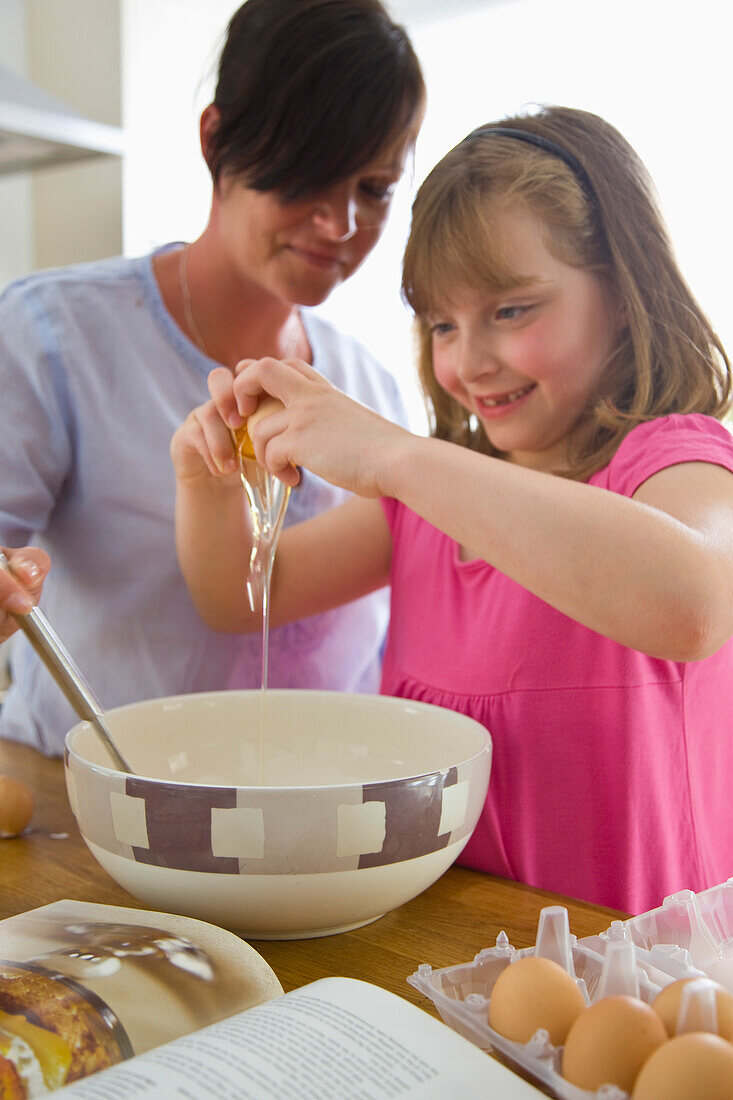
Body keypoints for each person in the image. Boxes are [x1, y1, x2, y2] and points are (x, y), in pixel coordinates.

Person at [171, 106, 733, 915]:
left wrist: (397, 455)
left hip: (633, 987)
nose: (466, 362)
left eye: (510, 310)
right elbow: (240, 596)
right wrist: (207, 482)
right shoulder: (426, 505)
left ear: (619, 293)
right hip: (439, 967)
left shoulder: (671, 459)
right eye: (442, 324)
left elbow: (692, 603)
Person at [0, 0, 425, 756]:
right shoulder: (53, 337)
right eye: (308, 175)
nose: (339, 225)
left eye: (373, 188)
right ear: (217, 140)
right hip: (94, 804)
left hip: (318, 813)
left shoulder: (372, 384)